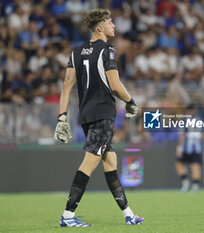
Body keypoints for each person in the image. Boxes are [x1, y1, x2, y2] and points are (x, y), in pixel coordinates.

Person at [54, 9, 144, 227]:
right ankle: (67, 216)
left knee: (110, 160)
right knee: (89, 162)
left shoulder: (75, 52)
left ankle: (128, 214)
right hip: (103, 114)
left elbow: (66, 88)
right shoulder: (108, 50)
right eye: (110, 22)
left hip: (85, 115)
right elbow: (115, 85)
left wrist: (62, 117)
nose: (114, 24)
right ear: (100, 27)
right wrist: (131, 102)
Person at [175, 105, 203, 192]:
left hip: (187, 147)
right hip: (196, 147)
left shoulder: (185, 121)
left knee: (181, 164)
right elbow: (203, 135)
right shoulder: (200, 120)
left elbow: (182, 135)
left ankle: (186, 183)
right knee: (194, 166)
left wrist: (180, 148)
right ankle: (194, 185)